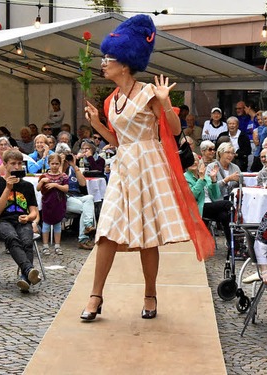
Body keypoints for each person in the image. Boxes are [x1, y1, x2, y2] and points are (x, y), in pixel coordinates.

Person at [81, 15, 213, 321]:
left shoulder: (149, 93)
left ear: (125, 64)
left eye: (108, 59)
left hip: (149, 165)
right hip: (124, 165)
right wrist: (99, 124)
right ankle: (95, 296)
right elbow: (117, 139)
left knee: (147, 235)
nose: (103, 63)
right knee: (106, 231)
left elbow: (175, 127)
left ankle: (150, 293)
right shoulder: (110, 100)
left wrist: (166, 103)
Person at [0, 149, 41, 292]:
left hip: (22, 220)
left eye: (19, 164)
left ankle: (25, 278)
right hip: (1, 221)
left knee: (27, 241)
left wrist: (28, 217)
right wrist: (8, 188)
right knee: (12, 237)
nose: (17, 167)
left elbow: (34, 211)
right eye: (13, 164)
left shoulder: (27, 186)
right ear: (5, 164)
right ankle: (29, 269)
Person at [184, 153, 232, 250]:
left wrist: (214, 180)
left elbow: (216, 195)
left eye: (195, 160)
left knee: (224, 215)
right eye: (190, 160)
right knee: (228, 204)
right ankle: (239, 224)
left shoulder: (205, 176)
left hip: (209, 206)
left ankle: (232, 246)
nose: (193, 162)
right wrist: (201, 179)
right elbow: (192, 195)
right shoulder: (185, 177)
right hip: (197, 207)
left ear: (199, 162)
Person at [55, 143, 97, 250]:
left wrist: (74, 165)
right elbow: (57, 181)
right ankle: (84, 238)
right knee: (85, 209)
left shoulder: (73, 169)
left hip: (76, 197)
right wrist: (60, 164)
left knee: (89, 198)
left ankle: (87, 226)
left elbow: (83, 183)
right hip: (63, 199)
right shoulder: (54, 169)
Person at [36, 153, 68, 256]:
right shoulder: (44, 176)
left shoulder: (63, 176)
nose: (54, 166)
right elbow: (37, 188)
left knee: (57, 225)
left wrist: (55, 185)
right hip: (47, 203)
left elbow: (66, 189)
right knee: (46, 225)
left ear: (60, 164)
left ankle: (57, 245)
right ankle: (45, 245)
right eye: (52, 163)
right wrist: (42, 182)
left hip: (59, 204)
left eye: (57, 164)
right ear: (48, 163)